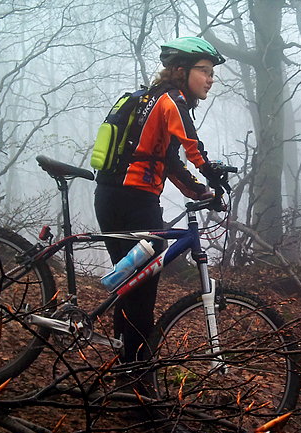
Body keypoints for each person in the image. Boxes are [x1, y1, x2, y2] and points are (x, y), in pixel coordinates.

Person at [94, 36, 228, 366]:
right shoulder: (171, 101)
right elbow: (191, 145)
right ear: (181, 71)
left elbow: (167, 161)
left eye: (212, 73)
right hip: (136, 202)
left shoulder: (149, 101)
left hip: (110, 198)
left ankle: (125, 369)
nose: (211, 78)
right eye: (205, 71)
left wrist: (201, 193)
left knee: (130, 287)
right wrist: (212, 173)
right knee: (141, 294)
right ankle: (137, 378)